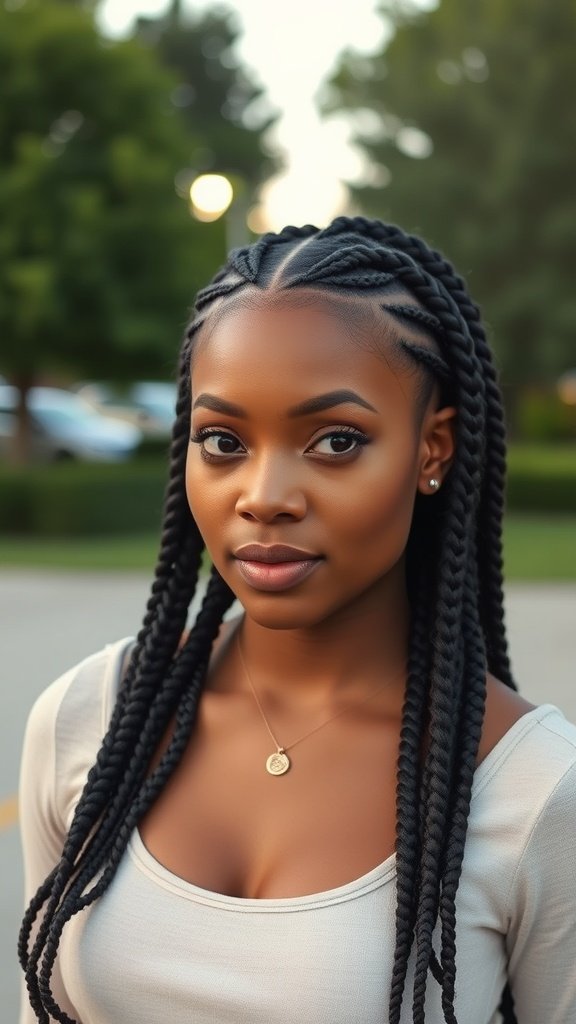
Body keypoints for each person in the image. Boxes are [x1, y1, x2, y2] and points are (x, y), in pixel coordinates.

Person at [18, 217, 576, 1024]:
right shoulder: (88, 720)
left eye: (335, 441)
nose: (264, 494)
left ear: (433, 450)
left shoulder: (534, 792)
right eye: (223, 441)